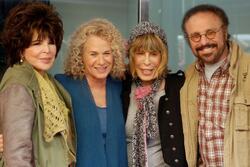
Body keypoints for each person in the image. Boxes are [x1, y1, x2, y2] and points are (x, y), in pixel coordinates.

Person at [0, 2, 76, 166]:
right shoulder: (19, 81)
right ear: (20, 48)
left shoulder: (48, 81)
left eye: (51, 42)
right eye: (37, 43)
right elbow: (16, 154)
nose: (47, 50)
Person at [180, 4, 250, 167]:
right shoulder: (188, 78)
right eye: (195, 36)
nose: (204, 42)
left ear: (224, 32)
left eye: (210, 33)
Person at [55, 18, 128, 167]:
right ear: (80, 56)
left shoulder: (120, 86)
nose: (101, 61)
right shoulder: (62, 86)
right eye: (93, 54)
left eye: (107, 53)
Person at [122, 21, 187, 167]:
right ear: (132, 57)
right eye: (140, 54)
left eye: (153, 54)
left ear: (162, 56)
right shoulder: (121, 87)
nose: (146, 61)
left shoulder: (178, 87)